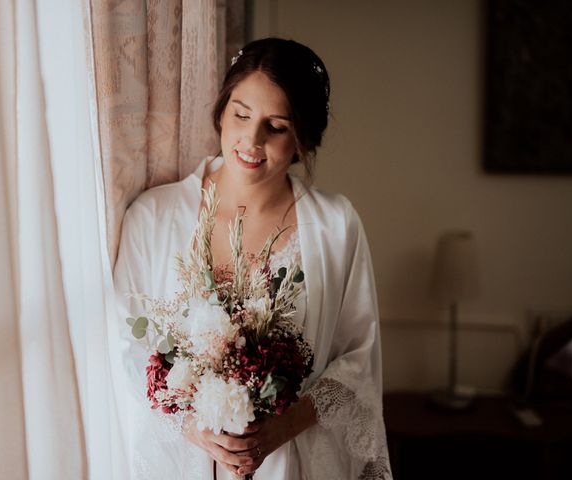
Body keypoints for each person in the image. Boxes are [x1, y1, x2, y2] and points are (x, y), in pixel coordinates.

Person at [114, 37, 392, 480]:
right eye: (241, 114)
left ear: (302, 139)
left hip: (291, 464)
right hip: (182, 464)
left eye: (276, 126)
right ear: (221, 111)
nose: (251, 139)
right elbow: (126, 348)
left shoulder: (336, 226)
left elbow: (359, 357)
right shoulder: (153, 217)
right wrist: (192, 425)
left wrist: (284, 426)